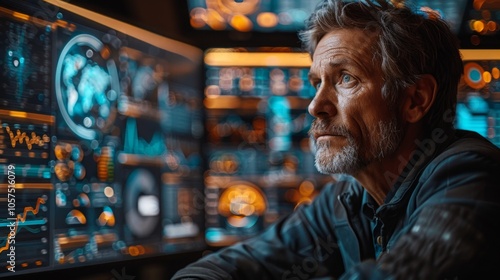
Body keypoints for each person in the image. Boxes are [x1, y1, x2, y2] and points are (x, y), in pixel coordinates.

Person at [172, 0, 500, 279]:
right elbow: (222, 268)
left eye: (345, 78)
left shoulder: (468, 175)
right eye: (317, 82)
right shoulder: (349, 198)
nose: (316, 106)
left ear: (415, 100)